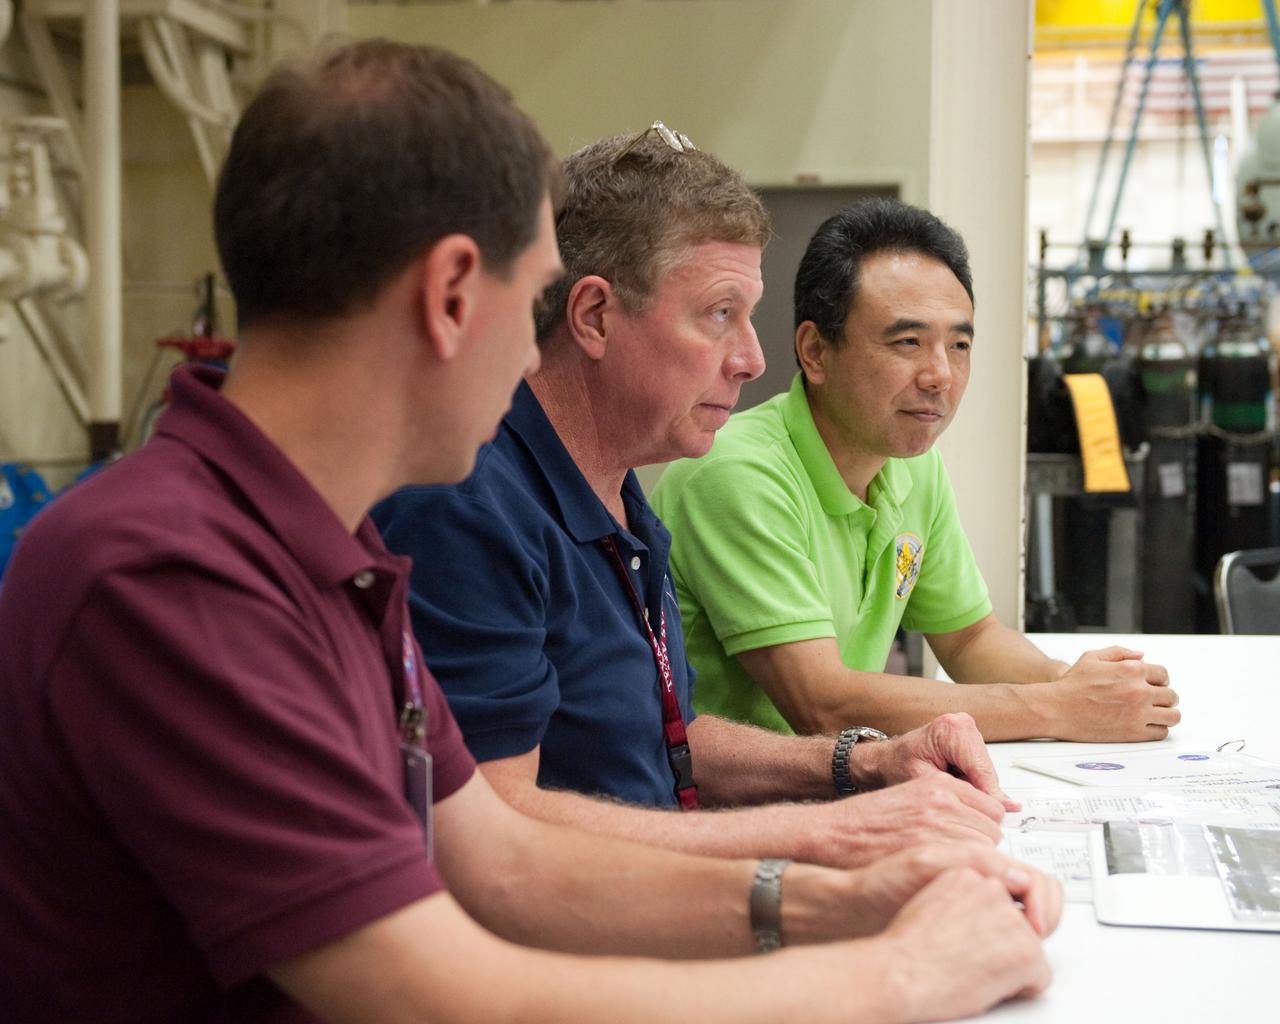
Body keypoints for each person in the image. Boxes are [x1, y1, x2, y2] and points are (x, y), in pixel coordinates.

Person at [0, 42, 1059, 1024]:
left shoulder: (322, 547)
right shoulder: (170, 574)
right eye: (535, 294)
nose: (533, 352)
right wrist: (899, 970)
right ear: (454, 292)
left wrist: (852, 894)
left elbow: (498, 854)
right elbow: (424, 982)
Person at [375, 128, 1021, 870]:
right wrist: (826, 838)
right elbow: (491, 825)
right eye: (719, 314)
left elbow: (667, 739)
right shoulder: (470, 508)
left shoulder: (622, 496)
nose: (752, 358)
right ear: (593, 317)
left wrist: (863, 763)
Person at [650, 198, 1180, 743]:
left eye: (959, 344)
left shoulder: (913, 466)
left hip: (832, 786)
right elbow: (821, 704)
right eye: (908, 342)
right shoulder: (736, 473)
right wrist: (1055, 708)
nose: (940, 375)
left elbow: (970, 638)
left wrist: (1080, 685)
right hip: (724, 806)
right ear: (815, 351)